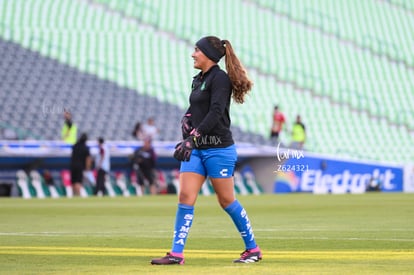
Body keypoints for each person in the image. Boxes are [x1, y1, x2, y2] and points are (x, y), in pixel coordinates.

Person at [151, 36, 261, 265]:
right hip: (197, 149)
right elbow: (197, 107)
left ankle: (253, 249)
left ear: (209, 55)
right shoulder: (198, 79)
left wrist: (194, 137)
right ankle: (176, 254)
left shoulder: (220, 79)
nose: (192, 54)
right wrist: (187, 119)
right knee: (185, 197)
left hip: (218, 150)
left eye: (196, 50)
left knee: (226, 200)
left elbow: (217, 111)